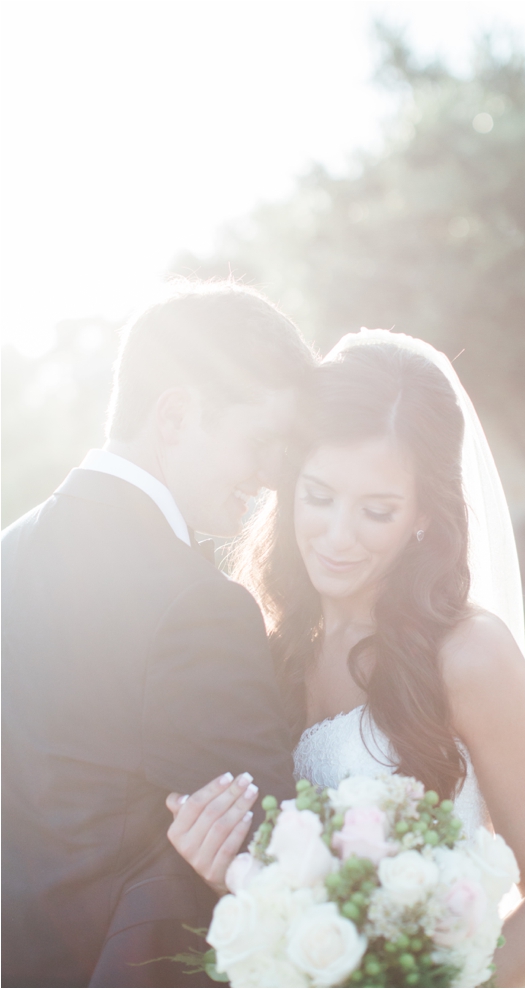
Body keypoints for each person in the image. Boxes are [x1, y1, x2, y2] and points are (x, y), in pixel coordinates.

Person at [168, 330, 525, 989]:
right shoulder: (264, 646)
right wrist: (221, 865)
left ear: (424, 513)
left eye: (378, 511)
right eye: (319, 496)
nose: (337, 536)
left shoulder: (472, 656)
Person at [1, 281, 315, 988]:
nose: (270, 477)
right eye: (260, 441)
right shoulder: (199, 606)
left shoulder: (9, 552)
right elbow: (276, 863)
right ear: (175, 416)